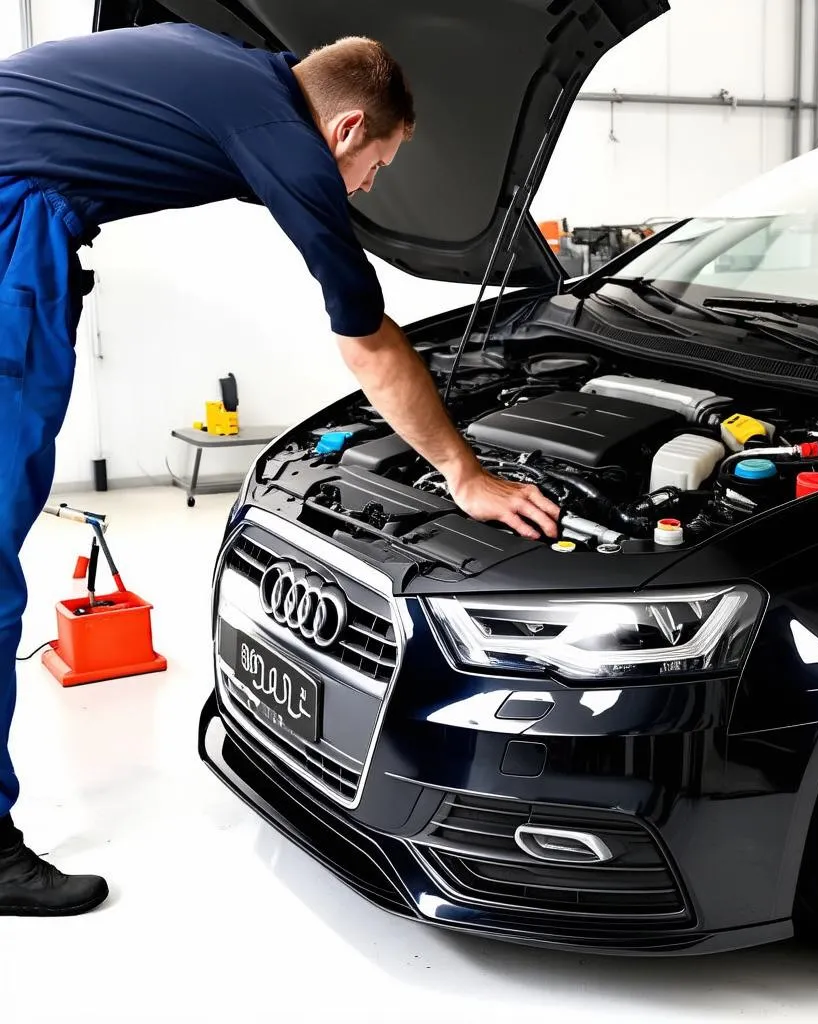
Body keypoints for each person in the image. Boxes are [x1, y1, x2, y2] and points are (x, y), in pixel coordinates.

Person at [0, 22, 561, 916]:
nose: (370, 186)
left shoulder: (226, 63)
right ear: (344, 131)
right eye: (376, 164)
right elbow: (370, 345)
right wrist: (465, 474)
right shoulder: (288, 145)